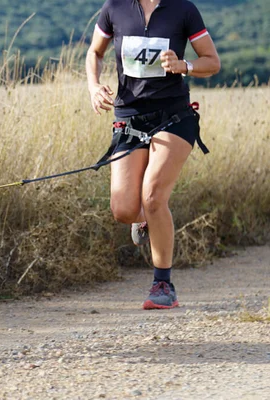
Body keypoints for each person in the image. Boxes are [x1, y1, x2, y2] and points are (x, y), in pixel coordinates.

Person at [85, 0, 221, 309]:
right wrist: (93, 86)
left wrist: (184, 66)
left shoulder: (183, 9)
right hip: (129, 118)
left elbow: (212, 62)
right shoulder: (114, 8)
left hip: (174, 116)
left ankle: (163, 284)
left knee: (154, 195)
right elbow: (95, 52)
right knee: (123, 209)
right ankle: (145, 217)